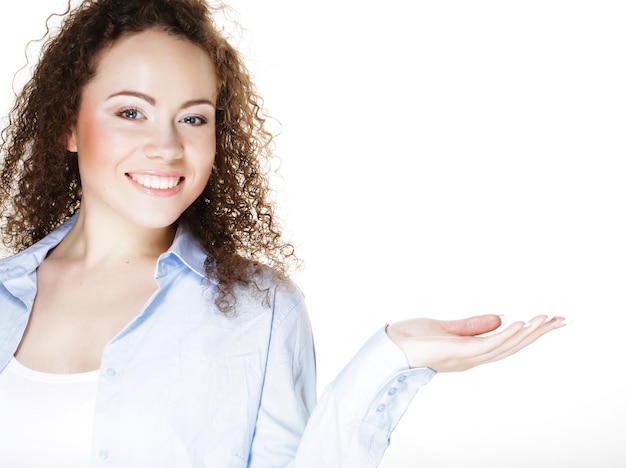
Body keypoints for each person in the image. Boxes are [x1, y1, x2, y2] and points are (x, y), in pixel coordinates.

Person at [0, 0, 566, 466]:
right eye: (131, 112)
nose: (167, 146)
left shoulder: (260, 310)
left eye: (194, 118)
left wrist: (389, 361)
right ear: (67, 124)